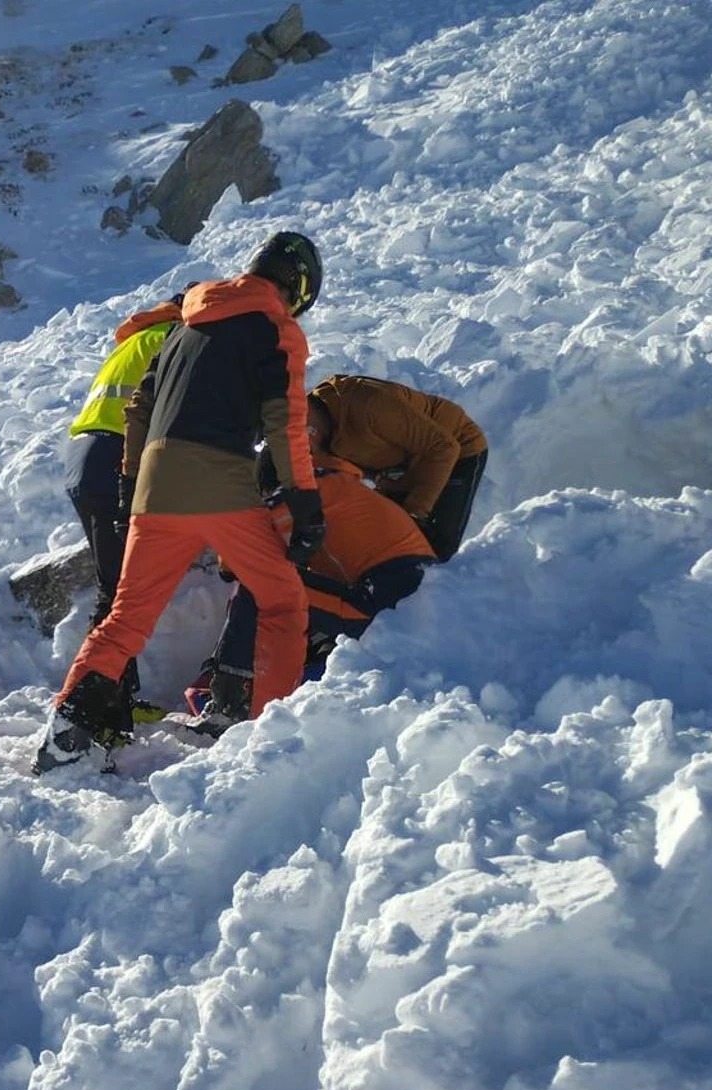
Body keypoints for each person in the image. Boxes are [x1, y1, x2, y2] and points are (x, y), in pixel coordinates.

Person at [33, 231, 326, 774]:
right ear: (299, 288)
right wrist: (303, 500)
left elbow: (140, 406)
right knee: (282, 599)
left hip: (155, 486)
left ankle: (69, 731)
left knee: (126, 617)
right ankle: (269, 735)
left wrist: (130, 484)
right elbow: (285, 420)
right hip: (219, 479)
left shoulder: (187, 323)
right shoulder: (275, 327)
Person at [186, 454, 435, 736]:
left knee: (259, 584)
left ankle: (228, 706)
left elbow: (231, 565)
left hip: (380, 603)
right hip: (402, 600)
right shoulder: (336, 486)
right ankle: (250, 688)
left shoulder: (299, 497)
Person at [61, 291, 186, 705]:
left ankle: (116, 694)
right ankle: (93, 701)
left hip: (83, 456)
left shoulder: (138, 337)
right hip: (117, 454)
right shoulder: (176, 335)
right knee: (121, 595)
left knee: (112, 586)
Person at [306, 373, 487, 561]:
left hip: (456, 450)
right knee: (387, 541)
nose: (307, 453)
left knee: (434, 545)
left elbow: (444, 448)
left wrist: (415, 512)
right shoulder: (318, 436)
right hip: (404, 466)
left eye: (305, 442)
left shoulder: (370, 404)